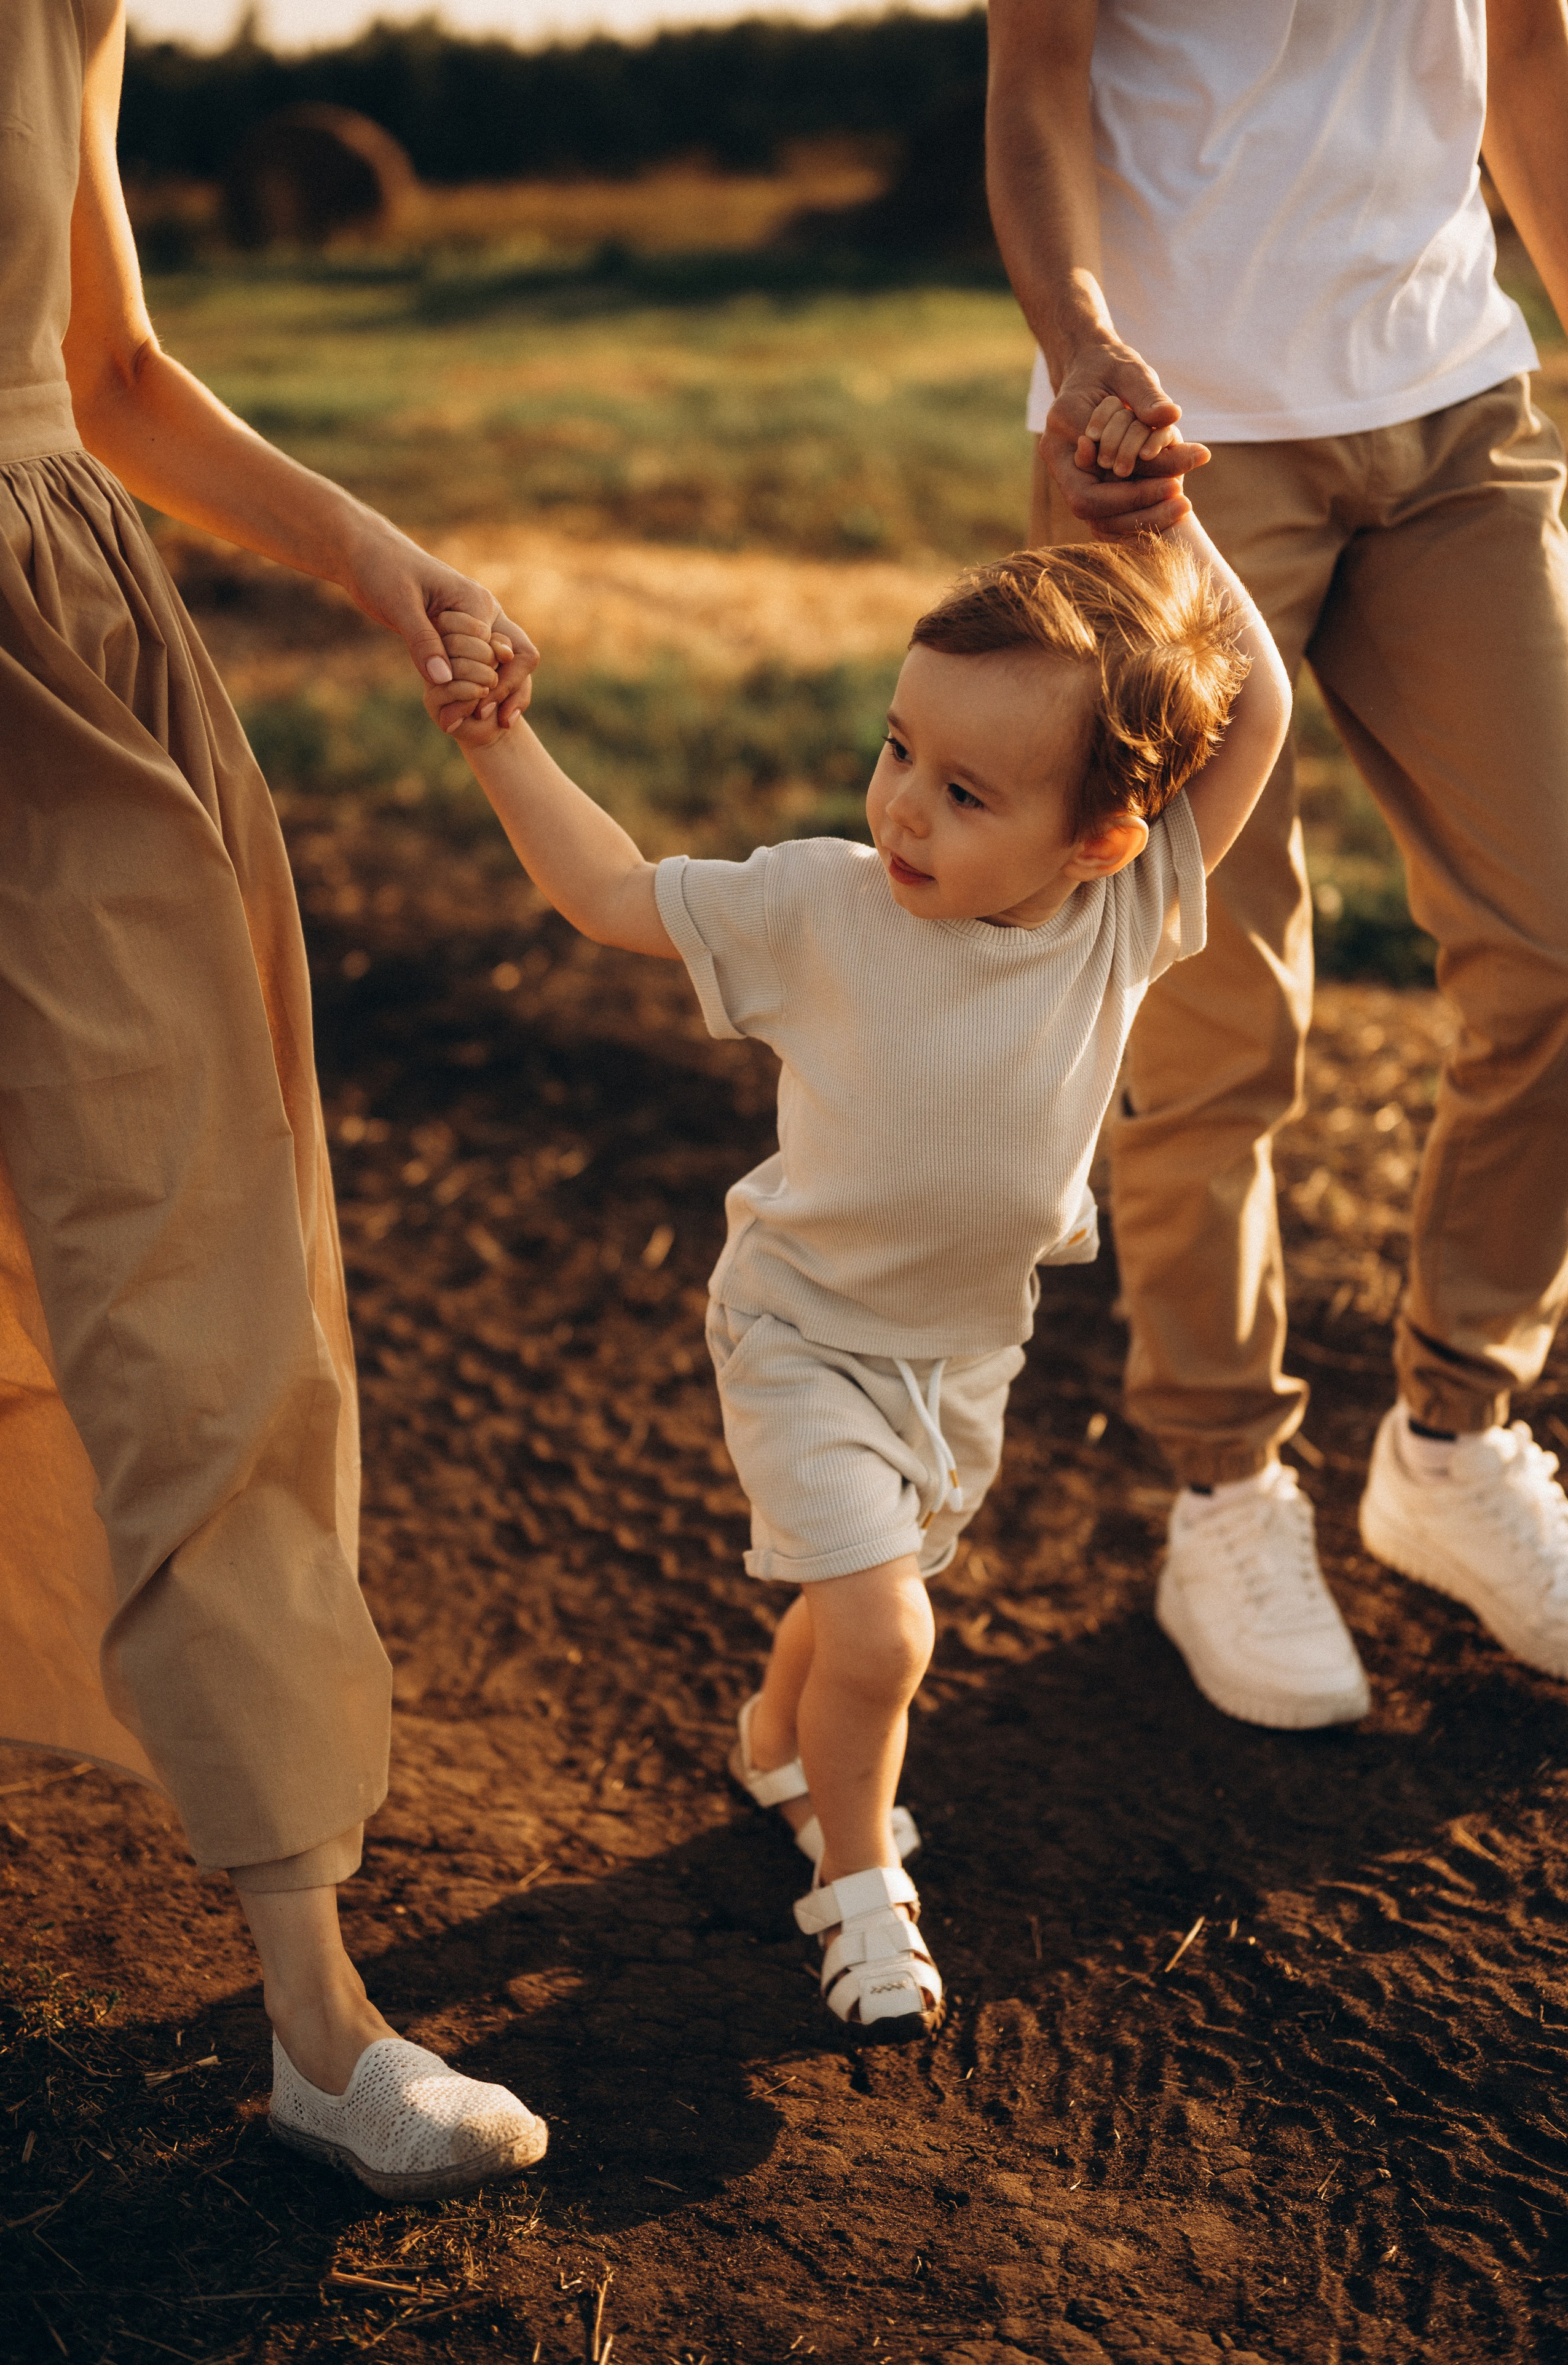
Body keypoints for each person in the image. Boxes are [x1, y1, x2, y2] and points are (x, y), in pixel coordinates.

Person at [423, 510, 1291, 2039]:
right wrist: (502, 745)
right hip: (800, 1332)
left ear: (1097, 841)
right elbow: (612, 893)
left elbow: (1261, 712)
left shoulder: (1123, 917)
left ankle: (775, 1740)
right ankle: (853, 1884)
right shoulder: (824, 903)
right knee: (887, 1629)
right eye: (896, 752)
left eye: (964, 793)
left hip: (963, 1356)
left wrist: (1171, 531)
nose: (900, 809)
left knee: (856, 1597)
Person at [0, 0, 544, 2196]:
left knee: (184, 1258)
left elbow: (107, 365)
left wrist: (367, 548)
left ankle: (319, 2015)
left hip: (43, 631)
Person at [985, 0, 1568, 1728]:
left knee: (1561, 945)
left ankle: (1454, 1439)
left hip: (1459, 401)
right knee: (1209, 996)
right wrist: (1081, 339)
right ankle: (1224, 1488)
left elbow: (1530, 45)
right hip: (1165, 445)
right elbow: (1041, 75)